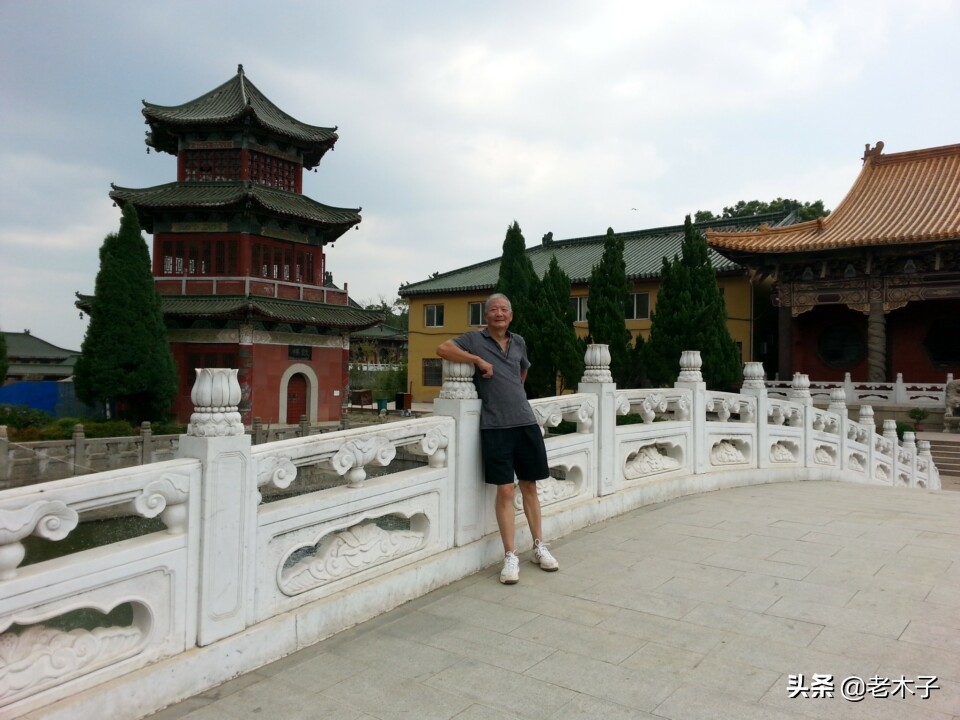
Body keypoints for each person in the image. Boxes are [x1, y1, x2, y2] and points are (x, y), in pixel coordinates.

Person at [436, 293, 558, 584]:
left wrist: (511, 392)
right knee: (505, 490)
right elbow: (442, 348)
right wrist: (477, 360)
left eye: (504, 309)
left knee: (530, 486)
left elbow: (522, 371)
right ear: (486, 315)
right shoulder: (474, 340)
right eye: (493, 310)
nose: (499, 314)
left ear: (511, 316)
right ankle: (510, 555)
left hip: (525, 422)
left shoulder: (519, 342)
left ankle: (539, 546)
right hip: (495, 426)